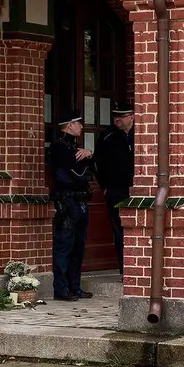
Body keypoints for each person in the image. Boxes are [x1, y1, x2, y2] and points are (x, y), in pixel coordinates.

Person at [49, 111, 94, 301]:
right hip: (68, 201)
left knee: (78, 246)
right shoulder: (59, 146)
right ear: (70, 125)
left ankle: (75, 286)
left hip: (80, 200)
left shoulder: (73, 146)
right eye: (78, 123)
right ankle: (62, 287)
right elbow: (76, 173)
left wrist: (89, 154)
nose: (81, 127)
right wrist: (87, 158)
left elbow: (88, 172)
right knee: (64, 245)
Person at [95, 103, 135, 271]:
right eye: (115, 116)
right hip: (116, 190)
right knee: (120, 230)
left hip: (139, 189)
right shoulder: (108, 136)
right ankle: (125, 269)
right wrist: (105, 186)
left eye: (122, 116)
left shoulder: (142, 134)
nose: (117, 119)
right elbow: (97, 163)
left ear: (132, 116)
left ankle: (139, 268)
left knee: (138, 228)